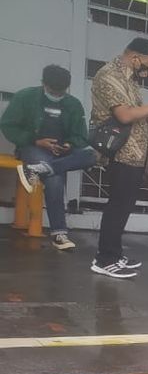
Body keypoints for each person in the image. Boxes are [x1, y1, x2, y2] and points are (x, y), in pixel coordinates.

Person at [88, 37, 148, 279]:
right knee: (118, 206)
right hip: (120, 152)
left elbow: (136, 114)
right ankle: (105, 259)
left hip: (133, 153)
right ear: (135, 58)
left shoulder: (128, 79)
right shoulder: (109, 76)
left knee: (123, 206)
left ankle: (114, 253)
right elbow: (124, 115)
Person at [1, 64, 97, 251]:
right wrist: (36, 140)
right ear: (43, 84)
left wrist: (69, 144)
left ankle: (43, 169)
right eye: (53, 91)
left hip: (62, 152)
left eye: (61, 92)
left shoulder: (73, 104)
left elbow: (81, 136)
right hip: (32, 147)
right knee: (55, 177)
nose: (57, 95)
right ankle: (59, 234)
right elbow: (8, 126)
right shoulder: (25, 97)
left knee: (92, 155)